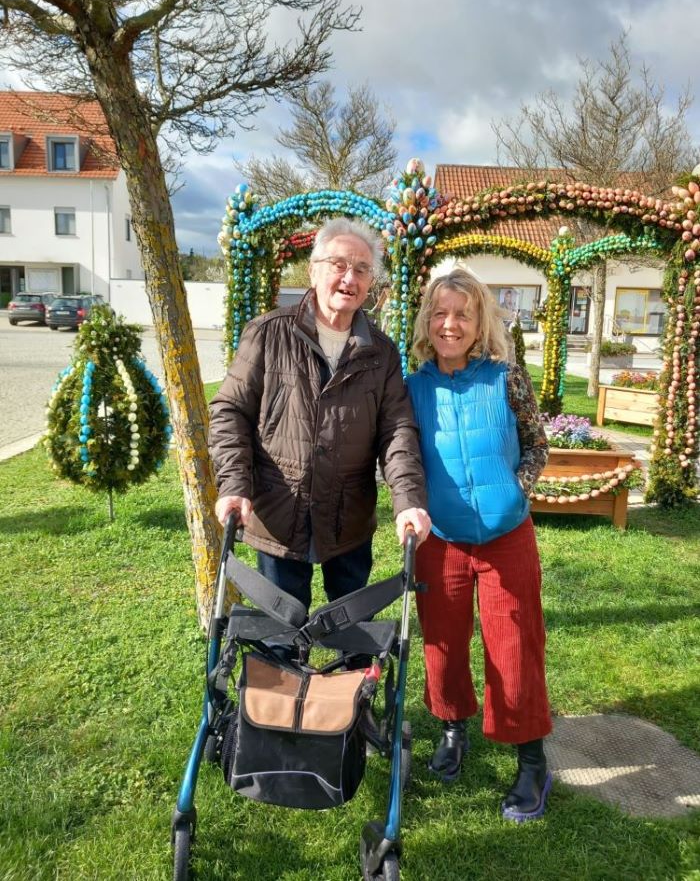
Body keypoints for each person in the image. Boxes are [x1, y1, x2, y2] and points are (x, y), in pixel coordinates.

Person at [209, 217, 431, 615]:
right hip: (278, 515)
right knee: (280, 641)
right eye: (339, 265)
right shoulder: (268, 333)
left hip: (348, 521)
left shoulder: (381, 353)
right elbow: (229, 411)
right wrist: (234, 484)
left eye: (362, 269)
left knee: (350, 637)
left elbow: (397, 431)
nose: (350, 277)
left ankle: (346, 680)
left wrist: (408, 501)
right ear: (313, 270)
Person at [406, 268, 552, 823]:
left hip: (506, 536)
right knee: (442, 643)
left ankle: (532, 759)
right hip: (440, 538)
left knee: (514, 646)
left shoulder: (507, 377)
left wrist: (518, 489)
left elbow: (537, 443)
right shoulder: (412, 385)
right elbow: (400, 457)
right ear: (427, 320)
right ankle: (451, 729)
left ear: (480, 321)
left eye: (463, 314)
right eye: (441, 313)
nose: (451, 324)